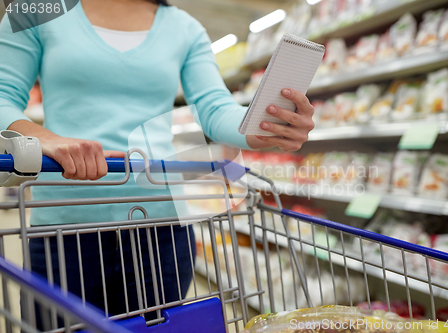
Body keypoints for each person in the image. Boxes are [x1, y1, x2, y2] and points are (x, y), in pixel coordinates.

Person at [0, 0, 316, 326]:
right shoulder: (37, 10)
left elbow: (213, 106)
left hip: (161, 228)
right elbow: (2, 93)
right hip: (65, 227)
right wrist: (43, 138)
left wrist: (266, 127)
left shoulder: (184, 27)